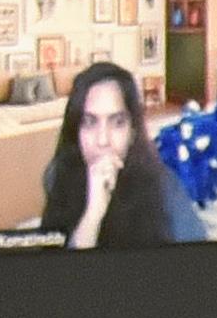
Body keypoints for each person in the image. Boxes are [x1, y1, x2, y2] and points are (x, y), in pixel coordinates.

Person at [36, 61, 183, 247]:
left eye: (117, 122)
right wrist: (93, 214)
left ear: (133, 132)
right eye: (89, 122)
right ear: (75, 130)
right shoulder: (58, 173)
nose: (103, 140)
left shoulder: (165, 186)